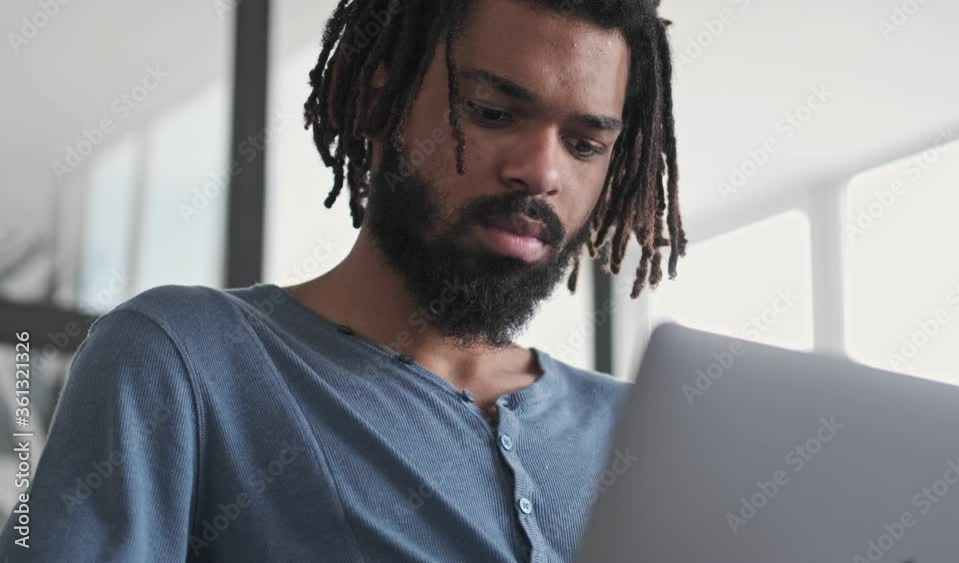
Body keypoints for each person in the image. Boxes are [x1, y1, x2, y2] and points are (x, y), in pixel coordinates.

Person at [0, 0, 685, 560]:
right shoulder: (182, 360)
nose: (542, 173)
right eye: (493, 113)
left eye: (585, 144)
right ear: (378, 104)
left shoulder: (646, 433)